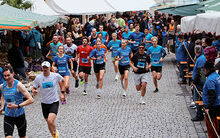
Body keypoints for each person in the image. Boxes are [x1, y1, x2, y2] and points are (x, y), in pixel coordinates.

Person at [32, 61, 64, 138]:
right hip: (44, 103)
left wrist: (62, 92)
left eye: (46, 67)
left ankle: (55, 132)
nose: (45, 69)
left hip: (54, 101)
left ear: (50, 68)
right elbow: (34, 88)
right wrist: (34, 91)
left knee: (50, 120)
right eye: (44, 67)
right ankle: (54, 135)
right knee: (48, 122)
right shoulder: (38, 78)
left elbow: (63, 81)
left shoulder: (55, 76)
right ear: (42, 68)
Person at [0, 65, 34, 138]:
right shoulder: (2, 86)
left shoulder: (19, 85)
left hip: (19, 115)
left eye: (8, 75)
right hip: (8, 116)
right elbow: (3, 96)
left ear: (13, 74)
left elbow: (31, 100)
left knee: (22, 136)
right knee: (8, 137)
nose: (6, 78)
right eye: (5, 76)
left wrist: (17, 106)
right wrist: (2, 106)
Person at [202, 61, 220, 138]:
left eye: (205, 69)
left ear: (207, 69)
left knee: (211, 126)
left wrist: (208, 107)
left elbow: (212, 94)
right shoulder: (217, 76)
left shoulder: (210, 79)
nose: (204, 71)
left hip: (213, 106)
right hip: (218, 104)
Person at [191, 45, 207, 121]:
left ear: (195, 51)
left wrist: (194, 81)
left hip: (199, 82)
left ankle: (199, 114)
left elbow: (199, 72)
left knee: (197, 98)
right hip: (199, 81)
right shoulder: (201, 57)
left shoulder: (201, 59)